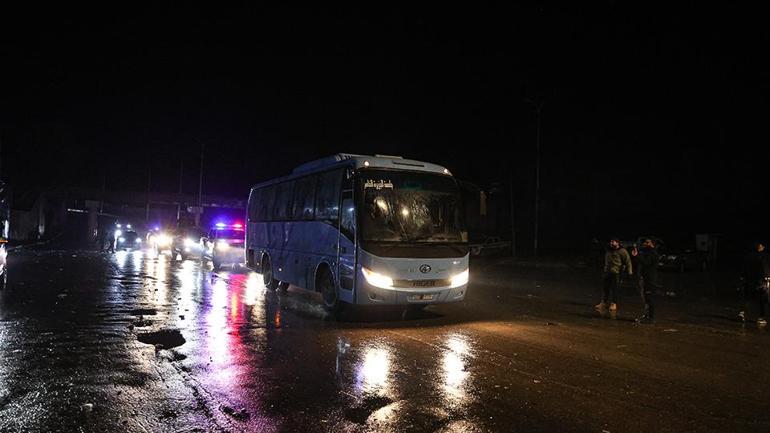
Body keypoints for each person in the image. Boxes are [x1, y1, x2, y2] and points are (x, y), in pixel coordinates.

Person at [595, 237, 632, 312]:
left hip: (616, 272)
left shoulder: (622, 251)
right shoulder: (608, 249)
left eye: (613, 242)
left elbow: (628, 262)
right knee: (605, 288)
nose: (611, 243)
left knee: (614, 289)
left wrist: (629, 272)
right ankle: (603, 303)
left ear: (617, 243)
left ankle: (613, 303)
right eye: (611, 242)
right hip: (607, 272)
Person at [739, 241, 770, 326]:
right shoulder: (764, 257)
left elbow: (744, 267)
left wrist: (742, 277)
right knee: (762, 299)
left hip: (750, 281)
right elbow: (765, 268)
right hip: (759, 281)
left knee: (749, 297)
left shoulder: (749, 256)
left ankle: (743, 312)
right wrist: (767, 279)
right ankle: (761, 318)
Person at [631, 238, 660, 323]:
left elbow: (646, 263)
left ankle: (650, 318)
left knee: (649, 298)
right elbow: (640, 262)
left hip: (650, 279)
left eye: (647, 242)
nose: (645, 243)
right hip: (644, 278)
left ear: (652, 244)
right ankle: (646, 316)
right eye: (645, 242)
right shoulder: (646, 252)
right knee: (646, 298)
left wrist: (637, 256)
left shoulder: (653, 253)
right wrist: (636, 256)